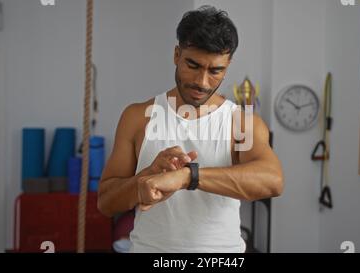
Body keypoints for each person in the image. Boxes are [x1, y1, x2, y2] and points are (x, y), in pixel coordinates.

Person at [97, 5, 284, 253]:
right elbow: (106, 202)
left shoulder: (241, 122)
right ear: (177, 55)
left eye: (216, 70)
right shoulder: (138, 117)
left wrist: (187, 177)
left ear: (227, 66)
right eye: (193, 65)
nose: (202, 82)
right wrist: (143, 181)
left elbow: (272, 181)